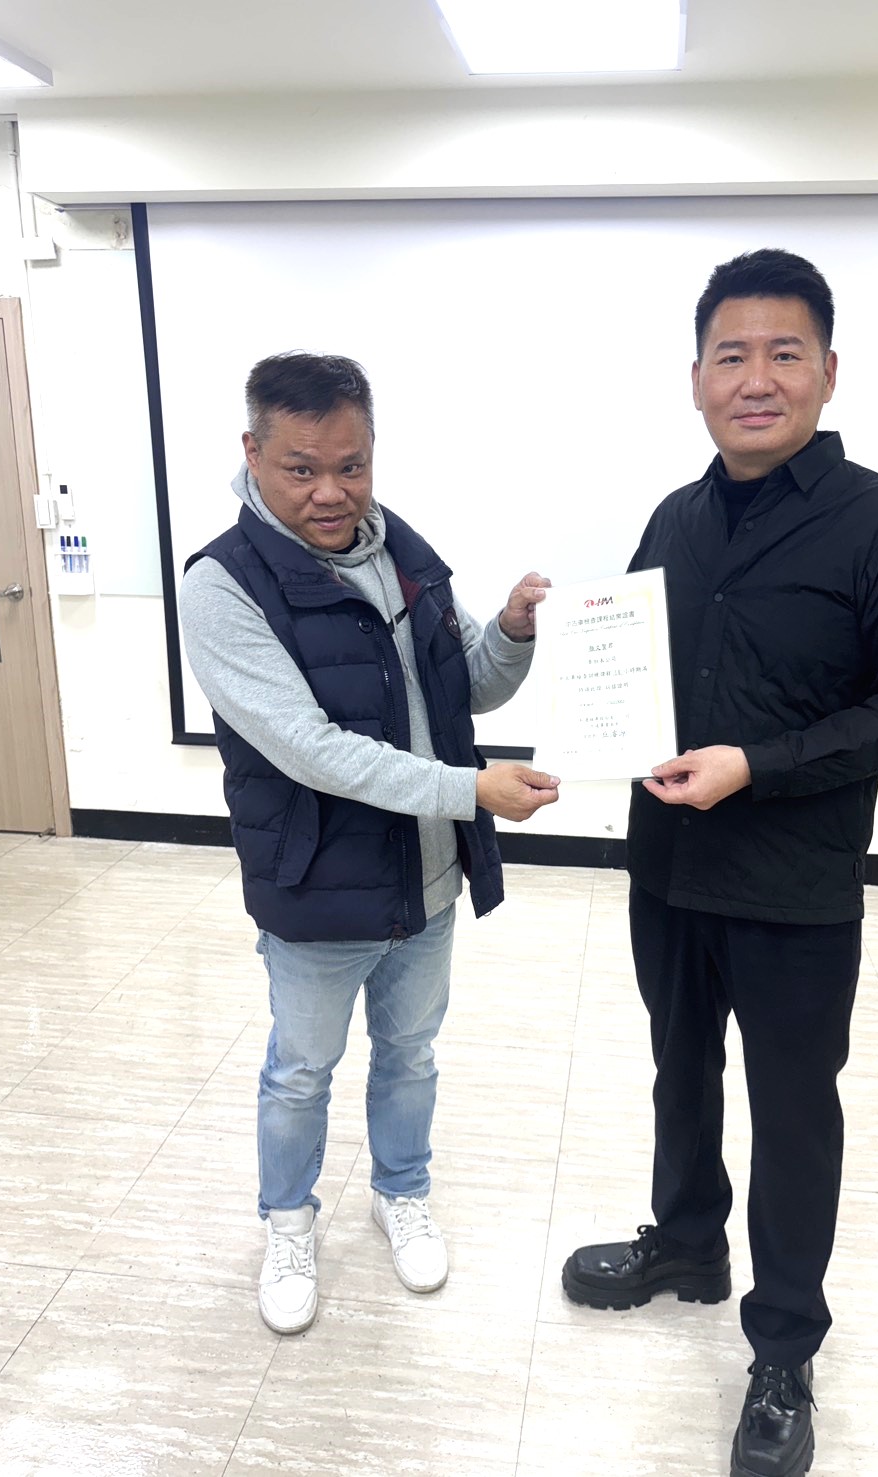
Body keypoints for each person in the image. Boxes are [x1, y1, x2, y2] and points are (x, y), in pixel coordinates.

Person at [561, 250, 878, 1477]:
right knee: (678, 1069)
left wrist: (760, 762)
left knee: (793, 1112)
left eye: (783, 353)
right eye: (730, 355)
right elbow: (634, 671)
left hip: (793, 882)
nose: (756, 378)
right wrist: (561, 654)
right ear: (695, 378)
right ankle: (688, 1240)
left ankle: (784, 1347)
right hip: (667, 865)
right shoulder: (673, 519)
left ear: (827, 372)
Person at [180, 351, 560, 1335]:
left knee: (412, 1052)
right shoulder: (222, 584)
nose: (331, 492)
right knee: (300, 1069)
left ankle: (402, 1191)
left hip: (424, 876)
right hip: (316, 884)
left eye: (351, 466)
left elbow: (469, 682)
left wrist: (513, 630)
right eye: (302, 468)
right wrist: (471, 788)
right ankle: (287, 1221)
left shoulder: (401, 548)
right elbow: (312, 749)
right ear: (253, 452)